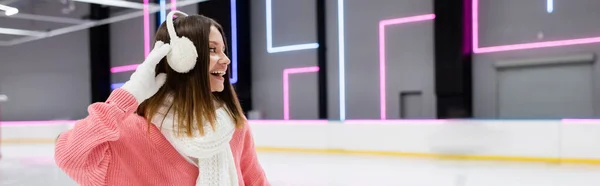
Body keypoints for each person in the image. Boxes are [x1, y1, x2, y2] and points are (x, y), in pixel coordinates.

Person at [55, 11, 270, 186]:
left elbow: (256, 181)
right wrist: (129, 94)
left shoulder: (232, 124)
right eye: (213, 50)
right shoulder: (133, 132)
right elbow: (70, 156)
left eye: (223, 50)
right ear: (182, 60)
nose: (226, 60)